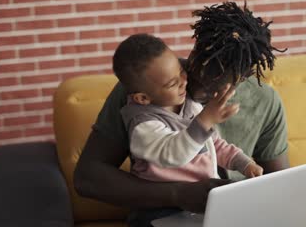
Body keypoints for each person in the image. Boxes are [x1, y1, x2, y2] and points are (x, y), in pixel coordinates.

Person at [74, 1, 289, 224]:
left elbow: (282, 186)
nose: (192, 87)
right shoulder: (147, 86)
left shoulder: (265, 102)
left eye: (212, 87)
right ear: (194, 48)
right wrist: (178, 194)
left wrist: (247, 169)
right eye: (195, 68)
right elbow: (87, 178)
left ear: (241, 79)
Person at [113, 33, 264, 225]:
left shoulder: (188, 104)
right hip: (159, 208)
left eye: (181, 71)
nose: (184, 81)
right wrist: (204, 121)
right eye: (172, 83)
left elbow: (213, 144)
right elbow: (173, 154)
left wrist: (243, 163)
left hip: (202, 202)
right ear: (143, 98)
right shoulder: (143, 125)